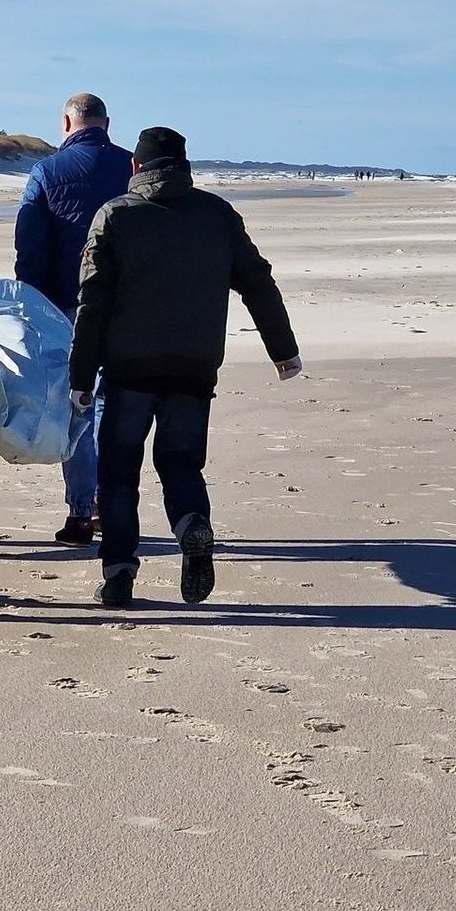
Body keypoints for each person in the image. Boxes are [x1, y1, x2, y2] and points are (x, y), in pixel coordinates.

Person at [70, 126, 302, 609]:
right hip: (194, 368)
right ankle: (192, 524)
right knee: (181, 465)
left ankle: (118, 576)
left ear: (135, 167)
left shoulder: (115, 216)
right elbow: (258, 282)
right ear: (185, 166)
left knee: (118, 475)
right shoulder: (217, 215)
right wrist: (283, 351)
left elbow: (91, 301)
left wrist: (80, 375)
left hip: (129, 369)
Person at [14, 93, 132, 547]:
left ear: (67, 122)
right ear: (107, 122)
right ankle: (108, 502)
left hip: (67, 304)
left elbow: (31, 245)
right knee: (108, 405)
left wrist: (31, 304)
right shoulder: (133, 168)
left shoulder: (46, 171)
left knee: (78, 404)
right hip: (124, 304)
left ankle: (83, 510)